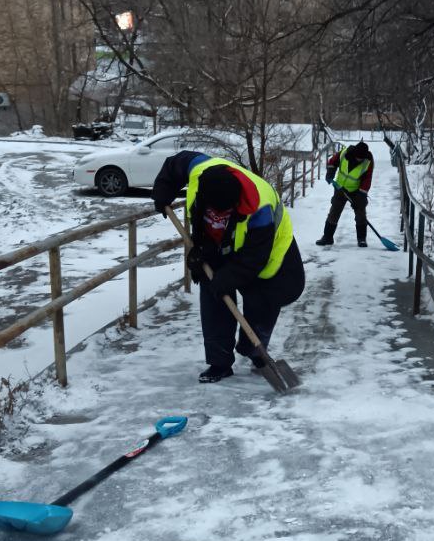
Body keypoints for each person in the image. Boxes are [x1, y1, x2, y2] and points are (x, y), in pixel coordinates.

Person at [152, 151, 305, 383]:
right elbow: (174, 164)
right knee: (214, 295)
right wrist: (163, 191)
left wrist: (229, 276)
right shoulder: (200, 170)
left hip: (269, 251)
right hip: (216, 244)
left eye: (223, 213)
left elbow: (255, 257)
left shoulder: (260, 209)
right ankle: (219, 362)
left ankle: (255, 349)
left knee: (264, 299)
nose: (217, 216)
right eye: (213, 211)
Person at [316, 141, 374, 247]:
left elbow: (367, 179)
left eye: (362, 158)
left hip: (357, 191)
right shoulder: (343, 153)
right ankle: (327, 237)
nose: (359, 160)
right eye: (358, 158)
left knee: (360, 213)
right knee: (334, 211)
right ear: (354, 153)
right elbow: (332, 162)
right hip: (340, 188)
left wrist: (361, 195)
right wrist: (330, 173)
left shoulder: (368, 161)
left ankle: (361, 239)